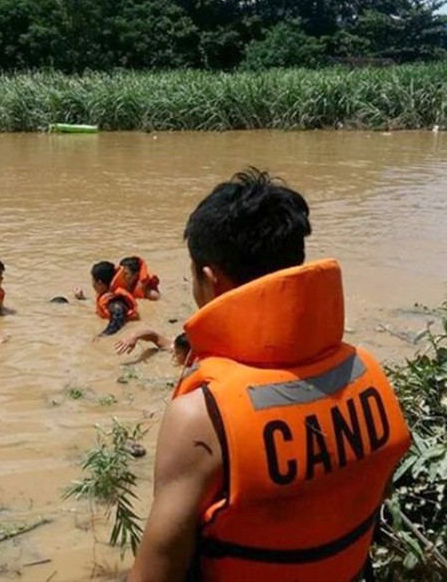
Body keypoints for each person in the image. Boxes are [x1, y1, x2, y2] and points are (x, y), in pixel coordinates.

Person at [128, 168, 412, 582]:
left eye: (192, 275)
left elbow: (155, 576)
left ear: (211, 280)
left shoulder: (202, 417)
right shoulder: (368, 371)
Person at [74, 261, 139, 336]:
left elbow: (118, 317)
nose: (92, 283)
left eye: (92, 279)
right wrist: (82, 298)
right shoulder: (109, 295)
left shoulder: (115, 302)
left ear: (99, 283)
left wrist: (103, 335)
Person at [115, 329, 192, 367]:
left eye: (178, 353)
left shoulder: (197, 361)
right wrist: (134, 336)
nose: (173, 354)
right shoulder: (173, 348)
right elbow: (154, 336)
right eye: (175, 350)